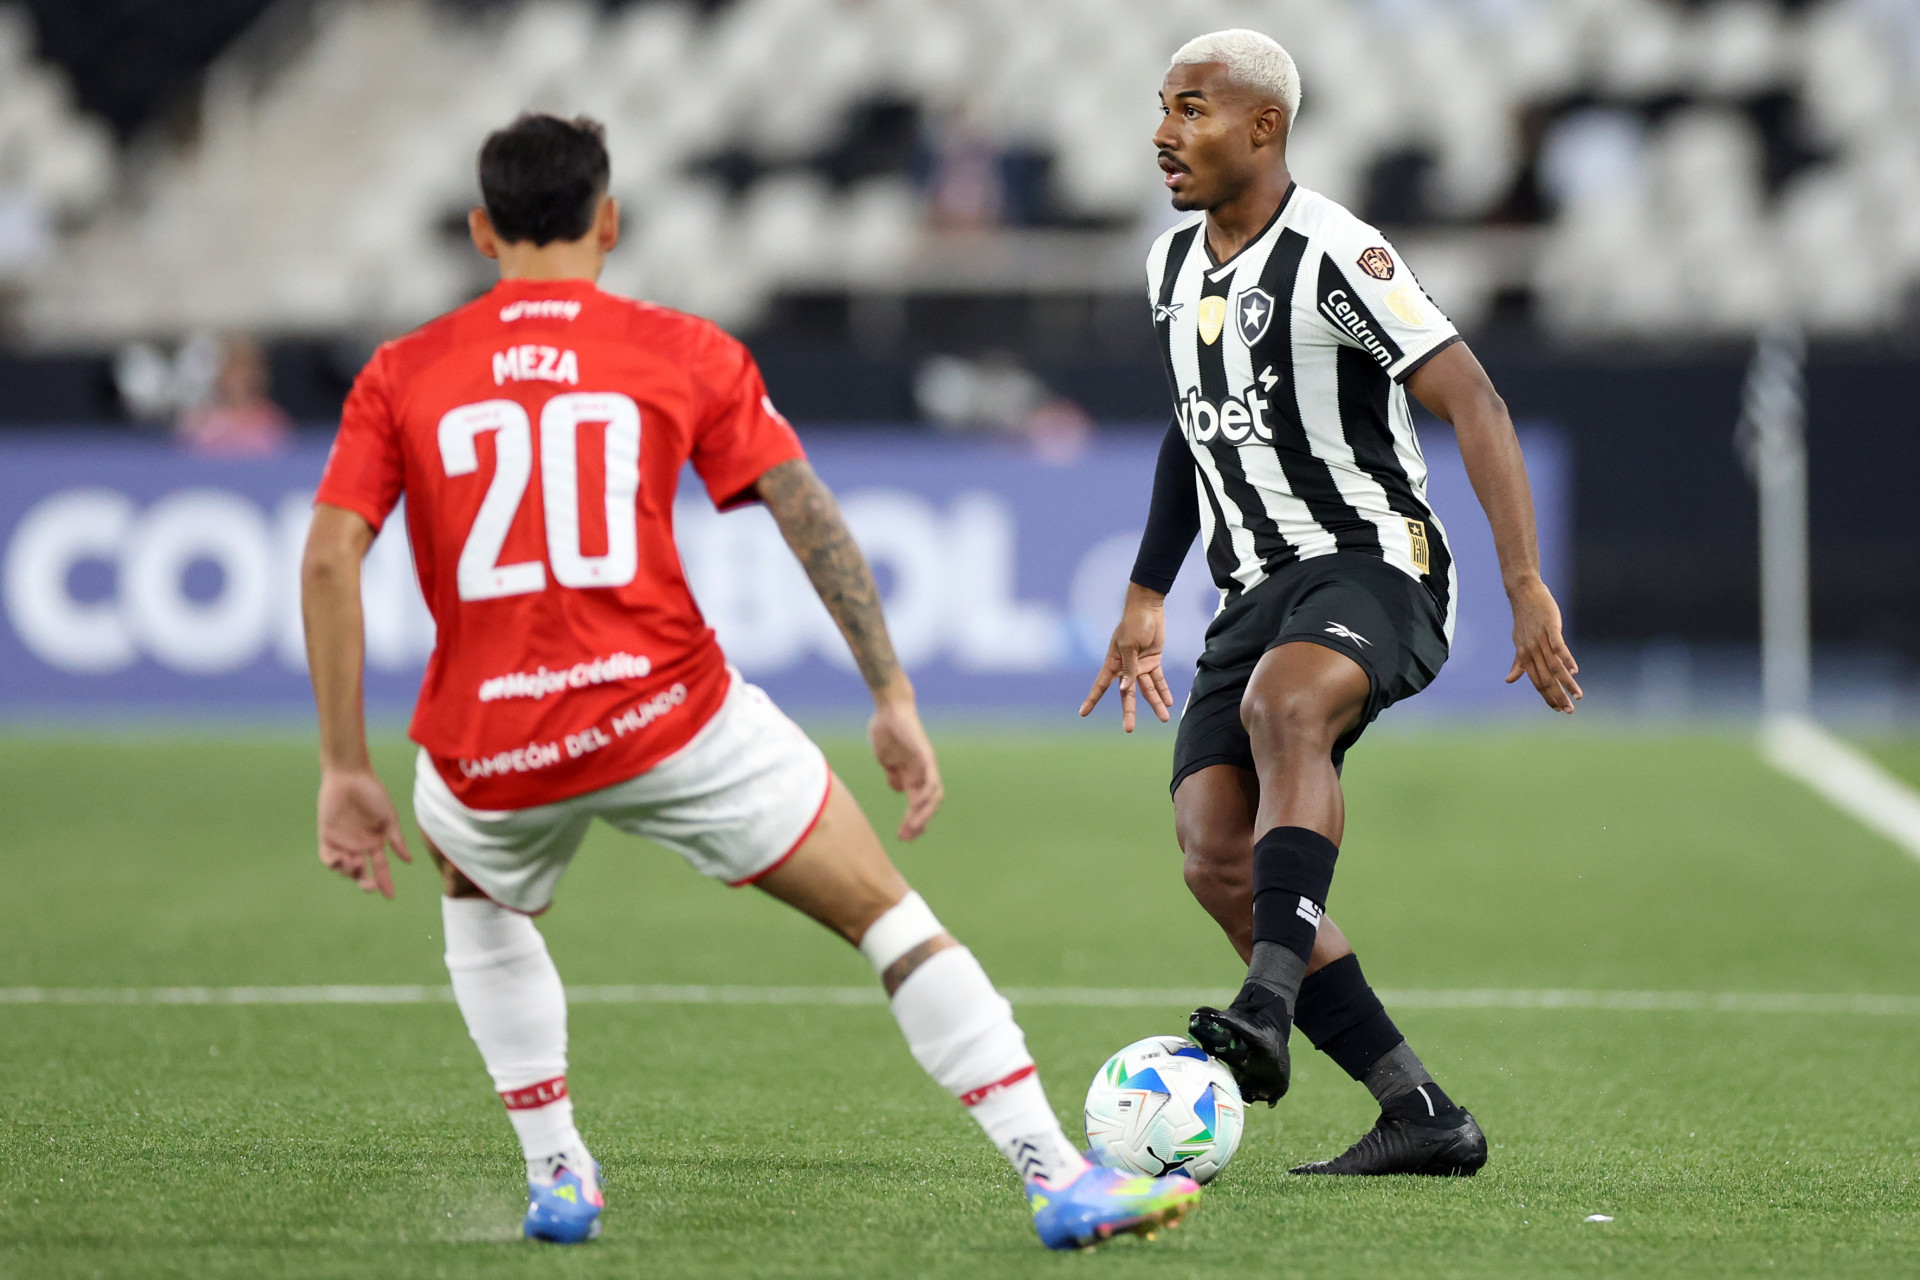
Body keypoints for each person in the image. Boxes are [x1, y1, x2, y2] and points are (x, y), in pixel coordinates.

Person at [300, 113, 1198, 1250]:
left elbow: (331, 554)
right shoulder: (681, 349)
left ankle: (559, 1173)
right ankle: (1054, 1172)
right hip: (671, 717)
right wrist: (892, 693)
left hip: (491, 745)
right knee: (892, 920)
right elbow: (805, 510)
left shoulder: (402, 372)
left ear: (481, 230)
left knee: (480, 899)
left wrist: (342, 765)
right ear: (609, 222)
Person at [1081, 31, 1581, 1177]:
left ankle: (1262, 1003)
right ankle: (1422, 1110)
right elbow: (1190, 428)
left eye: (1193, 109)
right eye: (1162, 108)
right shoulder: (1170, 268)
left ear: (1264, 127)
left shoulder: (1336, 252)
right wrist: (1146, 591)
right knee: (1214, 855)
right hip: (1251, 589)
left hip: (1374, 563)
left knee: (1286, 707)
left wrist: (1523, 584)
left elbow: (1478, 402)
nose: (1165, 133)